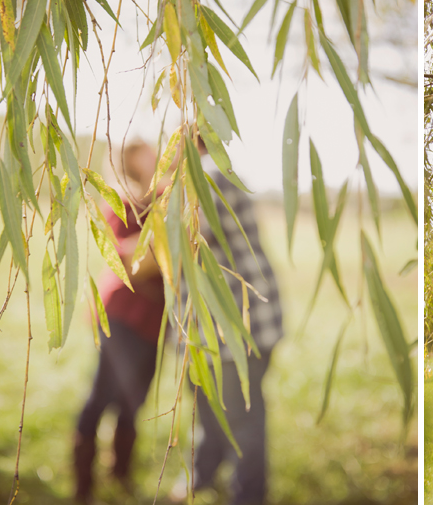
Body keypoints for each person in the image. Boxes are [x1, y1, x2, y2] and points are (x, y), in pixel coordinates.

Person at [174, 139, 284, 505]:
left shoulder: (205, 179)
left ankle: (248, 496)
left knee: (242, 418)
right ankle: (204, 474)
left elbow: (189, 239)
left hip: (234, 324)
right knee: (212, 406)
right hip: (236, 321)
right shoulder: (223, 175)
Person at [73, 141, 164, 504]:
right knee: (101, 397)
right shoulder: (122, 201)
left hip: (154, 322)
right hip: (122, 317)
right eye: (145, 150)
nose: (157, 152)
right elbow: (125, 259)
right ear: (129, 161)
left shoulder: (165, 200)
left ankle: (120, 475)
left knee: (134, 400)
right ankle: (83, 486)